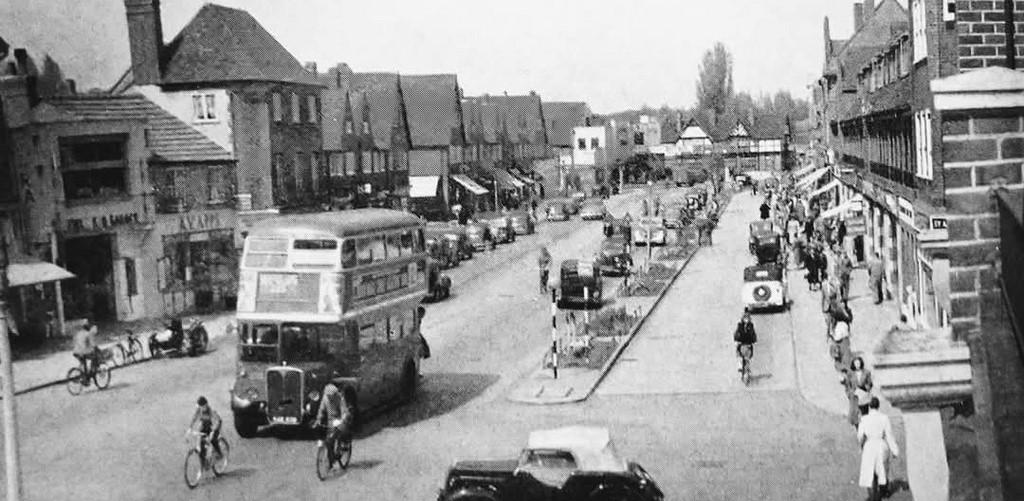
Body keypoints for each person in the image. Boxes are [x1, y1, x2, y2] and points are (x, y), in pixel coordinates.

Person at [858, 397, 900, 500]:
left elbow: (860, 436)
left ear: (869, 406)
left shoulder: (864, 419)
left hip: (869, 446)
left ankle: (872, 497)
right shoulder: (884, 418)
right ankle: (883, 492)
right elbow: (889, 435)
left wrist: (862, 444)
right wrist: (895, 451)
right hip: (881, 445)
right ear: (878, 406)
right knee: (882, 471)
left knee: (870, 473)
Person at [316, 378, 354, 465]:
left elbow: (344, 411)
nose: (329, 397)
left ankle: (342, 446)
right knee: (329, 441)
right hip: (330, 421)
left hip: (339, 420)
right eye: (328, 395)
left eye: (331, 395)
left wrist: (341, 420)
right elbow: (321, 410)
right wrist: (319, 419)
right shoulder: (325, 399)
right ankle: (331, 459)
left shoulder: (340, 398)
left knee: (339, 434)